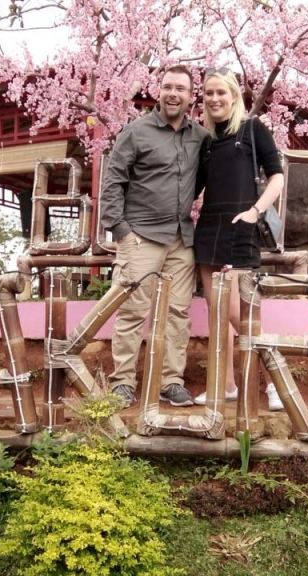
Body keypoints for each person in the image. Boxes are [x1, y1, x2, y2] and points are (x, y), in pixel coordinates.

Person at [100, 65, 209, 408]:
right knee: (133, 310)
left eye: (181, 89)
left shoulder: (200, 136)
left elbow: (201, 178)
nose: (173, 94)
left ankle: (171, 381)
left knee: (178, 313)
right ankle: (122, 382)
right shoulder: (136, 132)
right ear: (158, 91)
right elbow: (113, 181)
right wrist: (121, 230)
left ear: (191, 96)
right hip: (141, 236)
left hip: (181, 238)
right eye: (167, 87)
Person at [192, 67, 284, 411]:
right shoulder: (205, 141)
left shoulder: (252, 129)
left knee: (238, 315)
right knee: (216, 314)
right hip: (208, 229)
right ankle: (226, 385)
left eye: (221, 92)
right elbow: (194, 188)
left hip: (240, 227)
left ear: (234, 96)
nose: (214, 98)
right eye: (209, 93)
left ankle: (276, 382)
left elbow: (277, 177)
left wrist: (254, 212)